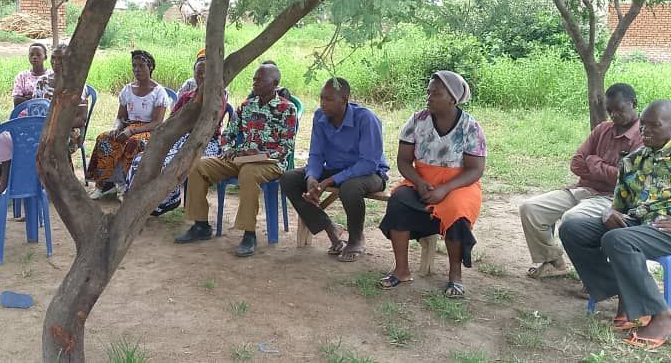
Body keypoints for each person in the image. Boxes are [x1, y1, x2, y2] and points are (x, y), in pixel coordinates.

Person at [561, 100, 671, 349]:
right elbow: (619, 205)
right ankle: (627, 293)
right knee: (573, 229)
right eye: (643, 125)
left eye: (653, 125)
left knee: (617, 240)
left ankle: (663, 316)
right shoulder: (633, 160)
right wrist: (609, 213)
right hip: (641, 225)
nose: (645, 131)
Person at [377, 71, 485, 298]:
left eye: (436, 93)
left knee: (456, 211)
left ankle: (455, 276)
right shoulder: (417, 121)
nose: (429, 97)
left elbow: (475, 169)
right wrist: (418, 182)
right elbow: (404, 161)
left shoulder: (470, 127)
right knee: (398, 201)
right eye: (428, 92)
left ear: (453, 99)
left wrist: (446, 188)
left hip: (459, 185)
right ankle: (401, 269)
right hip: (422, 181)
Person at [519, 83, 642, 279]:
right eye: (609, 111)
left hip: (612, 199)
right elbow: (576, 163)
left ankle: (596, 276)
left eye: (619, 109)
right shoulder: (603, 129)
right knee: (530, 208)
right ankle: (553, 261)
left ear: (633, 104)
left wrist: (593, 162)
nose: (614, 115)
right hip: (583, 189)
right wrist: (604, 169)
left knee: (572, 219)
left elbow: (626, 179)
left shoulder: (643, 137)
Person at [175, 64, 298, 257]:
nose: (255, 82)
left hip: (269, 163)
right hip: (240, 158)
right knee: (198, 165)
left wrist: (258, 154)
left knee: (248, 173)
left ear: (274, 83)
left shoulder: (286, 109)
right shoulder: (247, 105)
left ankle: (249, 234)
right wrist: (230, 150)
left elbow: (285, 147)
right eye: (254, 78)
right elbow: (228, 134)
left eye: (260, 79)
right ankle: (201, 226)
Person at [281, 77, 389, 262]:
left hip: (370, 174)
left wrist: (330, 181)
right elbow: (316, 154)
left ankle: (356, 239)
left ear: (344, 100)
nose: (323, 103)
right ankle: (330, 228)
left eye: (329, 99)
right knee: (289, 178)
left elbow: (368, 163)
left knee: (350, 187)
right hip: (334, 169)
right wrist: (312, 177)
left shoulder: (365, 119)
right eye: (321, 98)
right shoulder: (320, 116)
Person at [127, 52, 227, 215]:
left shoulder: (217, 97)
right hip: (179, 139)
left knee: (171, 163)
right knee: (142, 159)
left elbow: (207, 126)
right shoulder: (186, 96)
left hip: (204, 143)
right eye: (198, 72)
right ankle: (137, 201)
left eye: (205, 73)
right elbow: (172, 120)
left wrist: (185, 122)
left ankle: (164, 202)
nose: (201, 76)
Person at [85, 50, 170, 199]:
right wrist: (117, 127)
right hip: (128, 126)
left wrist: (132, 132)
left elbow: (157, 122)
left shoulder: (158, 92)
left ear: (150, 67)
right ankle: (104, 185)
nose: (137, 69)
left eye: (141, 66)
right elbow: (120, 117)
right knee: (104, 138)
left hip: (149, 129)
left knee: (133, 142)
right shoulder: (128, 90)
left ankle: (128, 188)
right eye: (134, 66)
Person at [12, 42, 52, 107]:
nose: (34, 57)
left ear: (45, 57)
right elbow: (16, 101)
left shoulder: (51, 75)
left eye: (38, 55)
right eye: (31, 54)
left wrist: (28, 98)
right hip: (25, 114)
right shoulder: (22, 76)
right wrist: (41, 98)